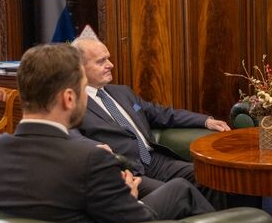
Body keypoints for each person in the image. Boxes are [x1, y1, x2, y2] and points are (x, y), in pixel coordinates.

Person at [0, 44, 214, 223]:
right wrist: (130, 196)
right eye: (83, 89)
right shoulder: (90, 159)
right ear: (69, 98)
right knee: (181, 191)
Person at [72, 37, 230, 207]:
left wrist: (205, 121)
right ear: (79, 67)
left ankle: (220, 221)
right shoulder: (74, 103)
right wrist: (91, 147)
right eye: (101, 61)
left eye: (108, 58)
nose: (110, 65)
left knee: (210, 177)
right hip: (128, 171)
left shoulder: (122, 92)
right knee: (179, 193)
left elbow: (159, 113)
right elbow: (69, 137)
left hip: (155, 160)